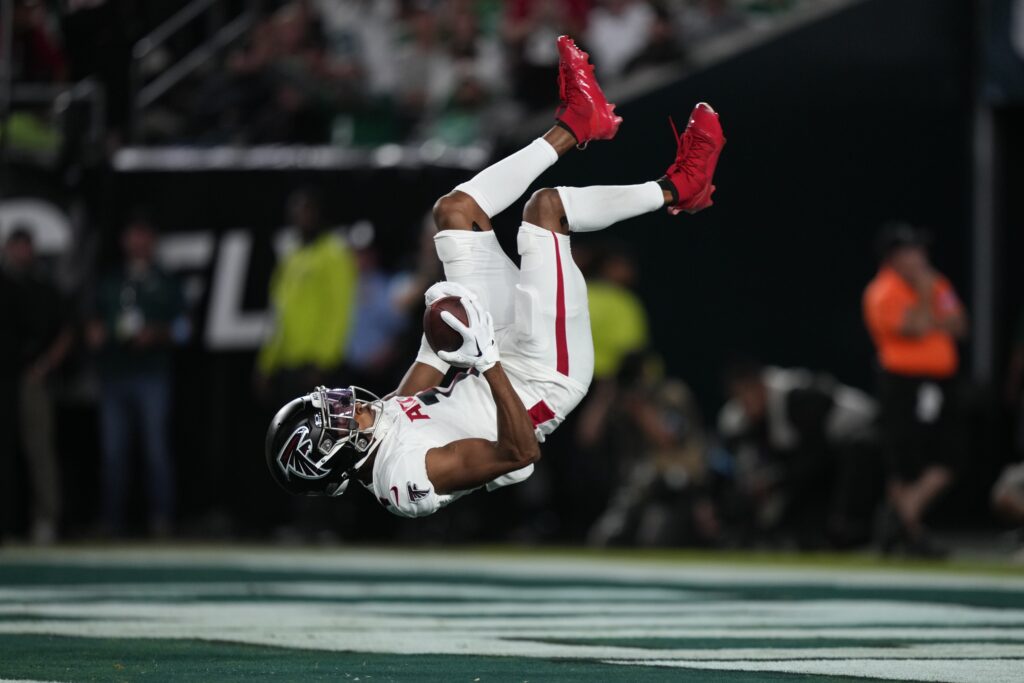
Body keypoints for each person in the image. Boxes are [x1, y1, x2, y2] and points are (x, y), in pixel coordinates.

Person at [264, 36, 725, 518]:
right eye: (331, 421)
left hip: (498, 350)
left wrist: (440, 327)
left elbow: (422, 380)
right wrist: (485, 362)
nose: (340, 406)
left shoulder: (379, 424)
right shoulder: (402, 480)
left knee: (455, 211)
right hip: (543, 377)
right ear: (328, 458)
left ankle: (577, 122)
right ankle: (680, 188)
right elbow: (520, 455)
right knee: (548, 209)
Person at [863, 222, 968, 556]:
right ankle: (910, 532)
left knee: (947, 459)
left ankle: (898, 521)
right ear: (894, 257)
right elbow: (914, 326)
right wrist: (928, 302)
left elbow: (961, 325)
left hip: (939, 384)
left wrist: (931, 310)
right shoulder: (884, 291)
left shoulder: (936, 283)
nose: (921, 257)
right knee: (903, 461)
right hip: (902, 385)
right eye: (912, 251)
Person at [88, 217, 186, 536]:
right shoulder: (111, 280)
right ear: (124, 240)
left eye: (145, 234)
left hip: (151, 375)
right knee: (113, 452)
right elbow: (92, 323)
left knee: (155, 450)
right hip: (115, 375)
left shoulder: (166, 280)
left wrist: (155, 334)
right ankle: (111, 522)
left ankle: (161, 520)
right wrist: (96, 332)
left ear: (153, 240)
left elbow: (184, 330)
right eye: (133, 234)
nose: (138, 241)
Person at [718, 361, 880, 548]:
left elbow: (815, 457)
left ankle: (853, 537)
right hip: (822, 454)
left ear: (760, 386)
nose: (745, 403)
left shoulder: (796, 397)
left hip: (863, 434)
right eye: (739, 396)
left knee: (834, 475)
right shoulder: (739, 417)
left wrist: (776, 481)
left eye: (748, 393)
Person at [0, 228, 72, 544]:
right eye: (15, 246)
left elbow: (66, 331)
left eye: (25, 246)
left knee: (39, 450)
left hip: (32, 377)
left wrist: (44, 366)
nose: (20, 252)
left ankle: (45, 518)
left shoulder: (43, 289)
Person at [255, 188, 358, 406]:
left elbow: (339, 310)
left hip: (318, 367)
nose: (301, 217)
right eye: (296, 212)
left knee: (324, 433)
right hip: (289, 364)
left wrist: (323, 362)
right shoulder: (292, 256)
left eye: (307, 211)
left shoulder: (333, 253)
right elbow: (279, 314)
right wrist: (267, 364)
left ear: (318, 213)